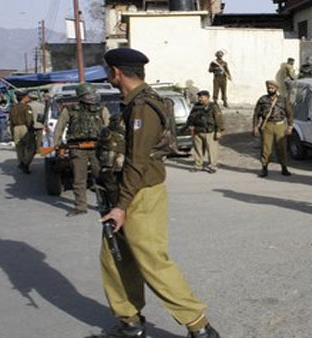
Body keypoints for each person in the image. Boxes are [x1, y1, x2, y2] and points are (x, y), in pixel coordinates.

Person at [97, 48, 220, 338]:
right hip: (123, 193)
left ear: (116, 72)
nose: (108, 76)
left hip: (140, 194)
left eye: (108, 71)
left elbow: (138, 161)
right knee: (115, 258)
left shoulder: (143, 107)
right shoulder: (131, 103)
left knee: (152, 260)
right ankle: (129, 322)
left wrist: (122, 205)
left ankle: (199, 326)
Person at [53, 84, 110, 217]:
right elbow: (59, 127)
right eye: (89, 94)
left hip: (98, 148)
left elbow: (108, 128)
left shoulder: (102, 109)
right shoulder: (70, 110)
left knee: (102, 177)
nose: (93, 97)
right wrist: (57, 144)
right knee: (79, 179)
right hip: (77, 148)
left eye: (93, 93)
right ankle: (80, 206)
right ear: (81, 97)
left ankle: (107, 204)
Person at [252, 80, 294, 178]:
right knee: (266, 148)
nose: (270, 90)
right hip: (267, 126)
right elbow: (256, 114)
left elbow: (290, 114)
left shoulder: (283, 100)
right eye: (268, 88)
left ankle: (284, 168)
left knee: (282, 147)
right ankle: (264, 168)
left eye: (272, 88)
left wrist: (290, 126)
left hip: (280, 125)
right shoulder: (263, 100)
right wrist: (255, 126)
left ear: (276, 89)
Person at [185, 90, 225, 173]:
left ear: (207, 97)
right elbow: (191, 117)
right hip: (197, 131)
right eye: (199, 97)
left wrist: (219, 131)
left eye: (201, 97)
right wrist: (190, 125)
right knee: (198, 150)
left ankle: (212, 166)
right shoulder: (196, 106)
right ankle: (198, 165)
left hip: (209, 132)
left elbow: (219, 119)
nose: (200, 99)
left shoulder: (213, 106)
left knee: (211, 150)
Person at [10, 92, 36, 174]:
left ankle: (21, 162)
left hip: (15, 128)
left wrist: (12, 132)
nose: (29, 98)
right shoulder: (27, 107)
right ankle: (25, 163)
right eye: (27, 97)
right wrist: (31, 129)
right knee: (31, 148)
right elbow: (29, 120)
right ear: (23, 98)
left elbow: (10, 121)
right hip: (24, 128)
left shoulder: (13, 107)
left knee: (19, 147)